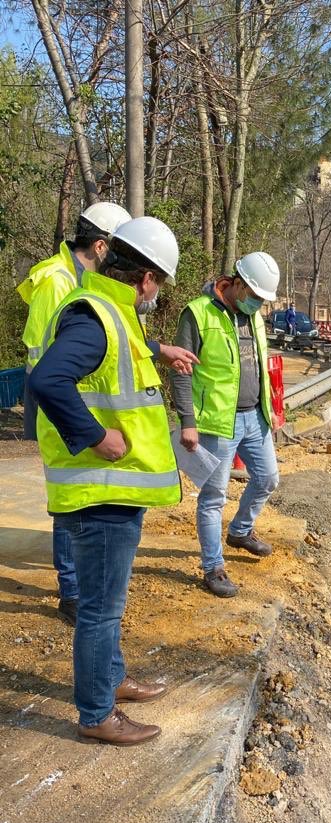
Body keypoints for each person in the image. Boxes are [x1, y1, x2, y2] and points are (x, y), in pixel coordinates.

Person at [29, 217, 198, 747]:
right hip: (99, 490)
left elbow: (108, 367)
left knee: (109, 603)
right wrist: (94, 435)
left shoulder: (113, 314)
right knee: (100, 610)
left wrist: (158, 351)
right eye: (160, 286)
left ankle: (112, 681)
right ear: (145, 278)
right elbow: (48, 379)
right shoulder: (97, 317)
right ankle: (96, 713)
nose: (157, 295)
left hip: (116, 490)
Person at [17, 201, 131, 625]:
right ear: (101, 246)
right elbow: (49, 365)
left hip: (75, 400)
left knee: (79, 492)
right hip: (58, 403)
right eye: (119, 252)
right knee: (68, 494)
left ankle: (78, 582)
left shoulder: (83, 278)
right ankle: (71, 591)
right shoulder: (56, 281)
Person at [171, 251, 281, 599]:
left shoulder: (255, 317)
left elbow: (260, 367)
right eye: (256, 296)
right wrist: (188, 421)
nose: (258, 304)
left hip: (256, 417)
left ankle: (240, 531)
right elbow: (181, 372)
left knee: (267, 478)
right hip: (219, 423)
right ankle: (213, 567)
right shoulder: (197, 314)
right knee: (213, 496)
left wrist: (272, 408)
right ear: (237, 283)